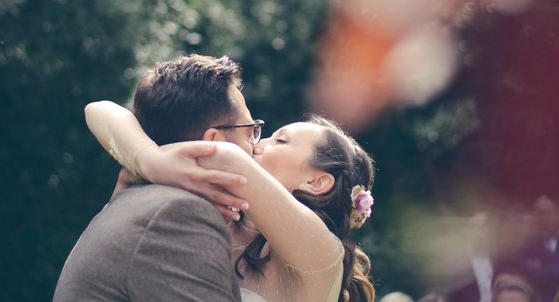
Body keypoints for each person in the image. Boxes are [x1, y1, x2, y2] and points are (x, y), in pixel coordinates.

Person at [83, 58, 378, 302]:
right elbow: (99, 110)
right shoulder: (218, 216)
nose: (257, 144)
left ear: (316, 183)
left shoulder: (322, 252)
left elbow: (224, 154)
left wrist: (146, 157)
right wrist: (149, 159)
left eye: (281, 141)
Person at [53, 55, 255, 301]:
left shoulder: (144, 197)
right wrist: (151, 160)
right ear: (214, 142)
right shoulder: (179, 215)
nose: (258, 147)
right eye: (250, 131)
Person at [515, 196, 559, 301]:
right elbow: (527, 274)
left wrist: (542, 268)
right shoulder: (528, 245)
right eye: (541, 213)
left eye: (550, 212)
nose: (547, 217)